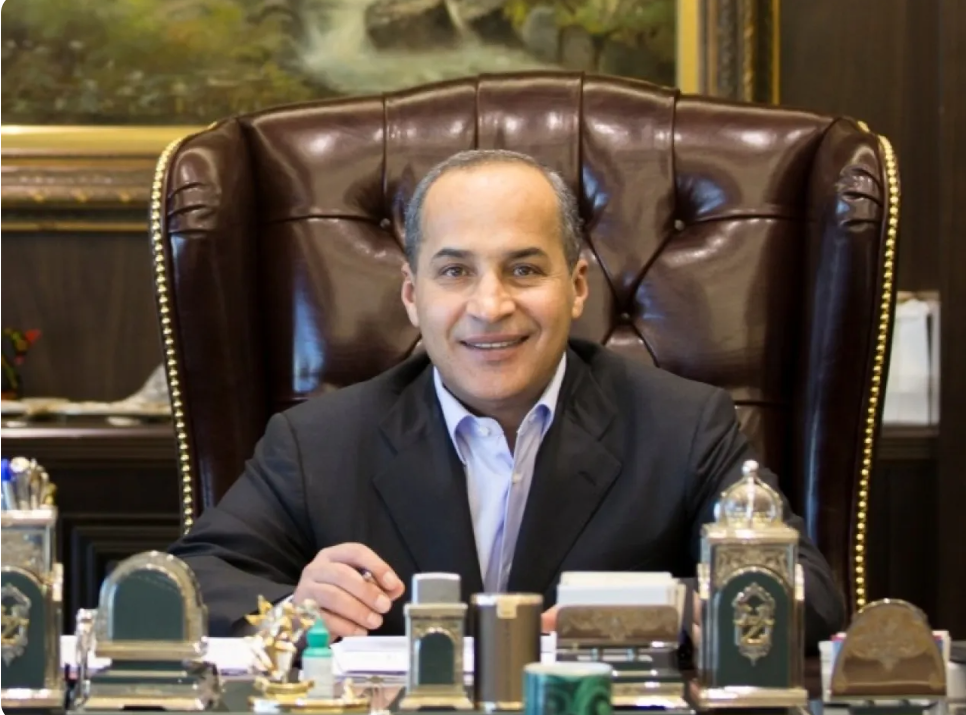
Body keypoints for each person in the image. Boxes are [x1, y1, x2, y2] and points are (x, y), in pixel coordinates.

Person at [169, 149, 845, 650]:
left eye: (524, 269)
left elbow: (808, 594)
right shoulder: (318, 442)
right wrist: (294, 609)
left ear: (576, 286)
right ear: (413, 295)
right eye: (455, 271)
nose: (490, 305)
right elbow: (190, 582)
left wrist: (658, 611)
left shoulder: (683, 426)